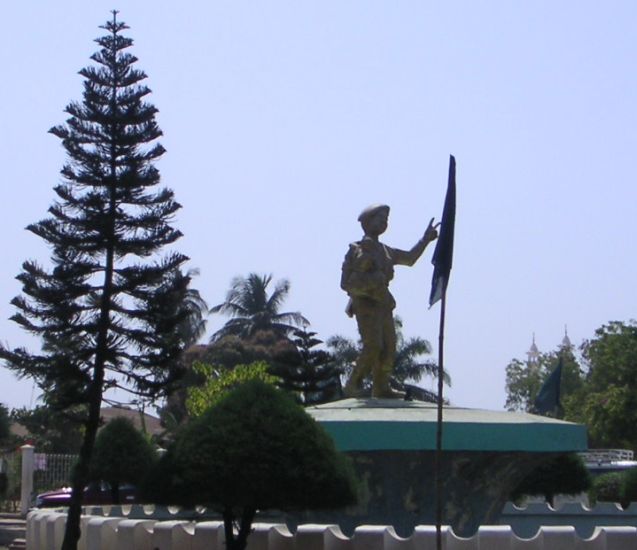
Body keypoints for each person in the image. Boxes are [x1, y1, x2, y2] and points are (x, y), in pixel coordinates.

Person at [340, 204, 438, 398]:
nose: (384, 223)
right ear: (367, 223)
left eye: (386, 220)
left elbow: (409, 259)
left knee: (390, 347)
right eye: (379, 219)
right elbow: (346, 284)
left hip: (383, 303)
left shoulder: (386, 251)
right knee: (373, 345)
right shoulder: (356, 250)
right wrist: (368, 280)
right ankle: (353, 384)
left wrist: (425, 240)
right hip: (365, 303)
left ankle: (381, 386)